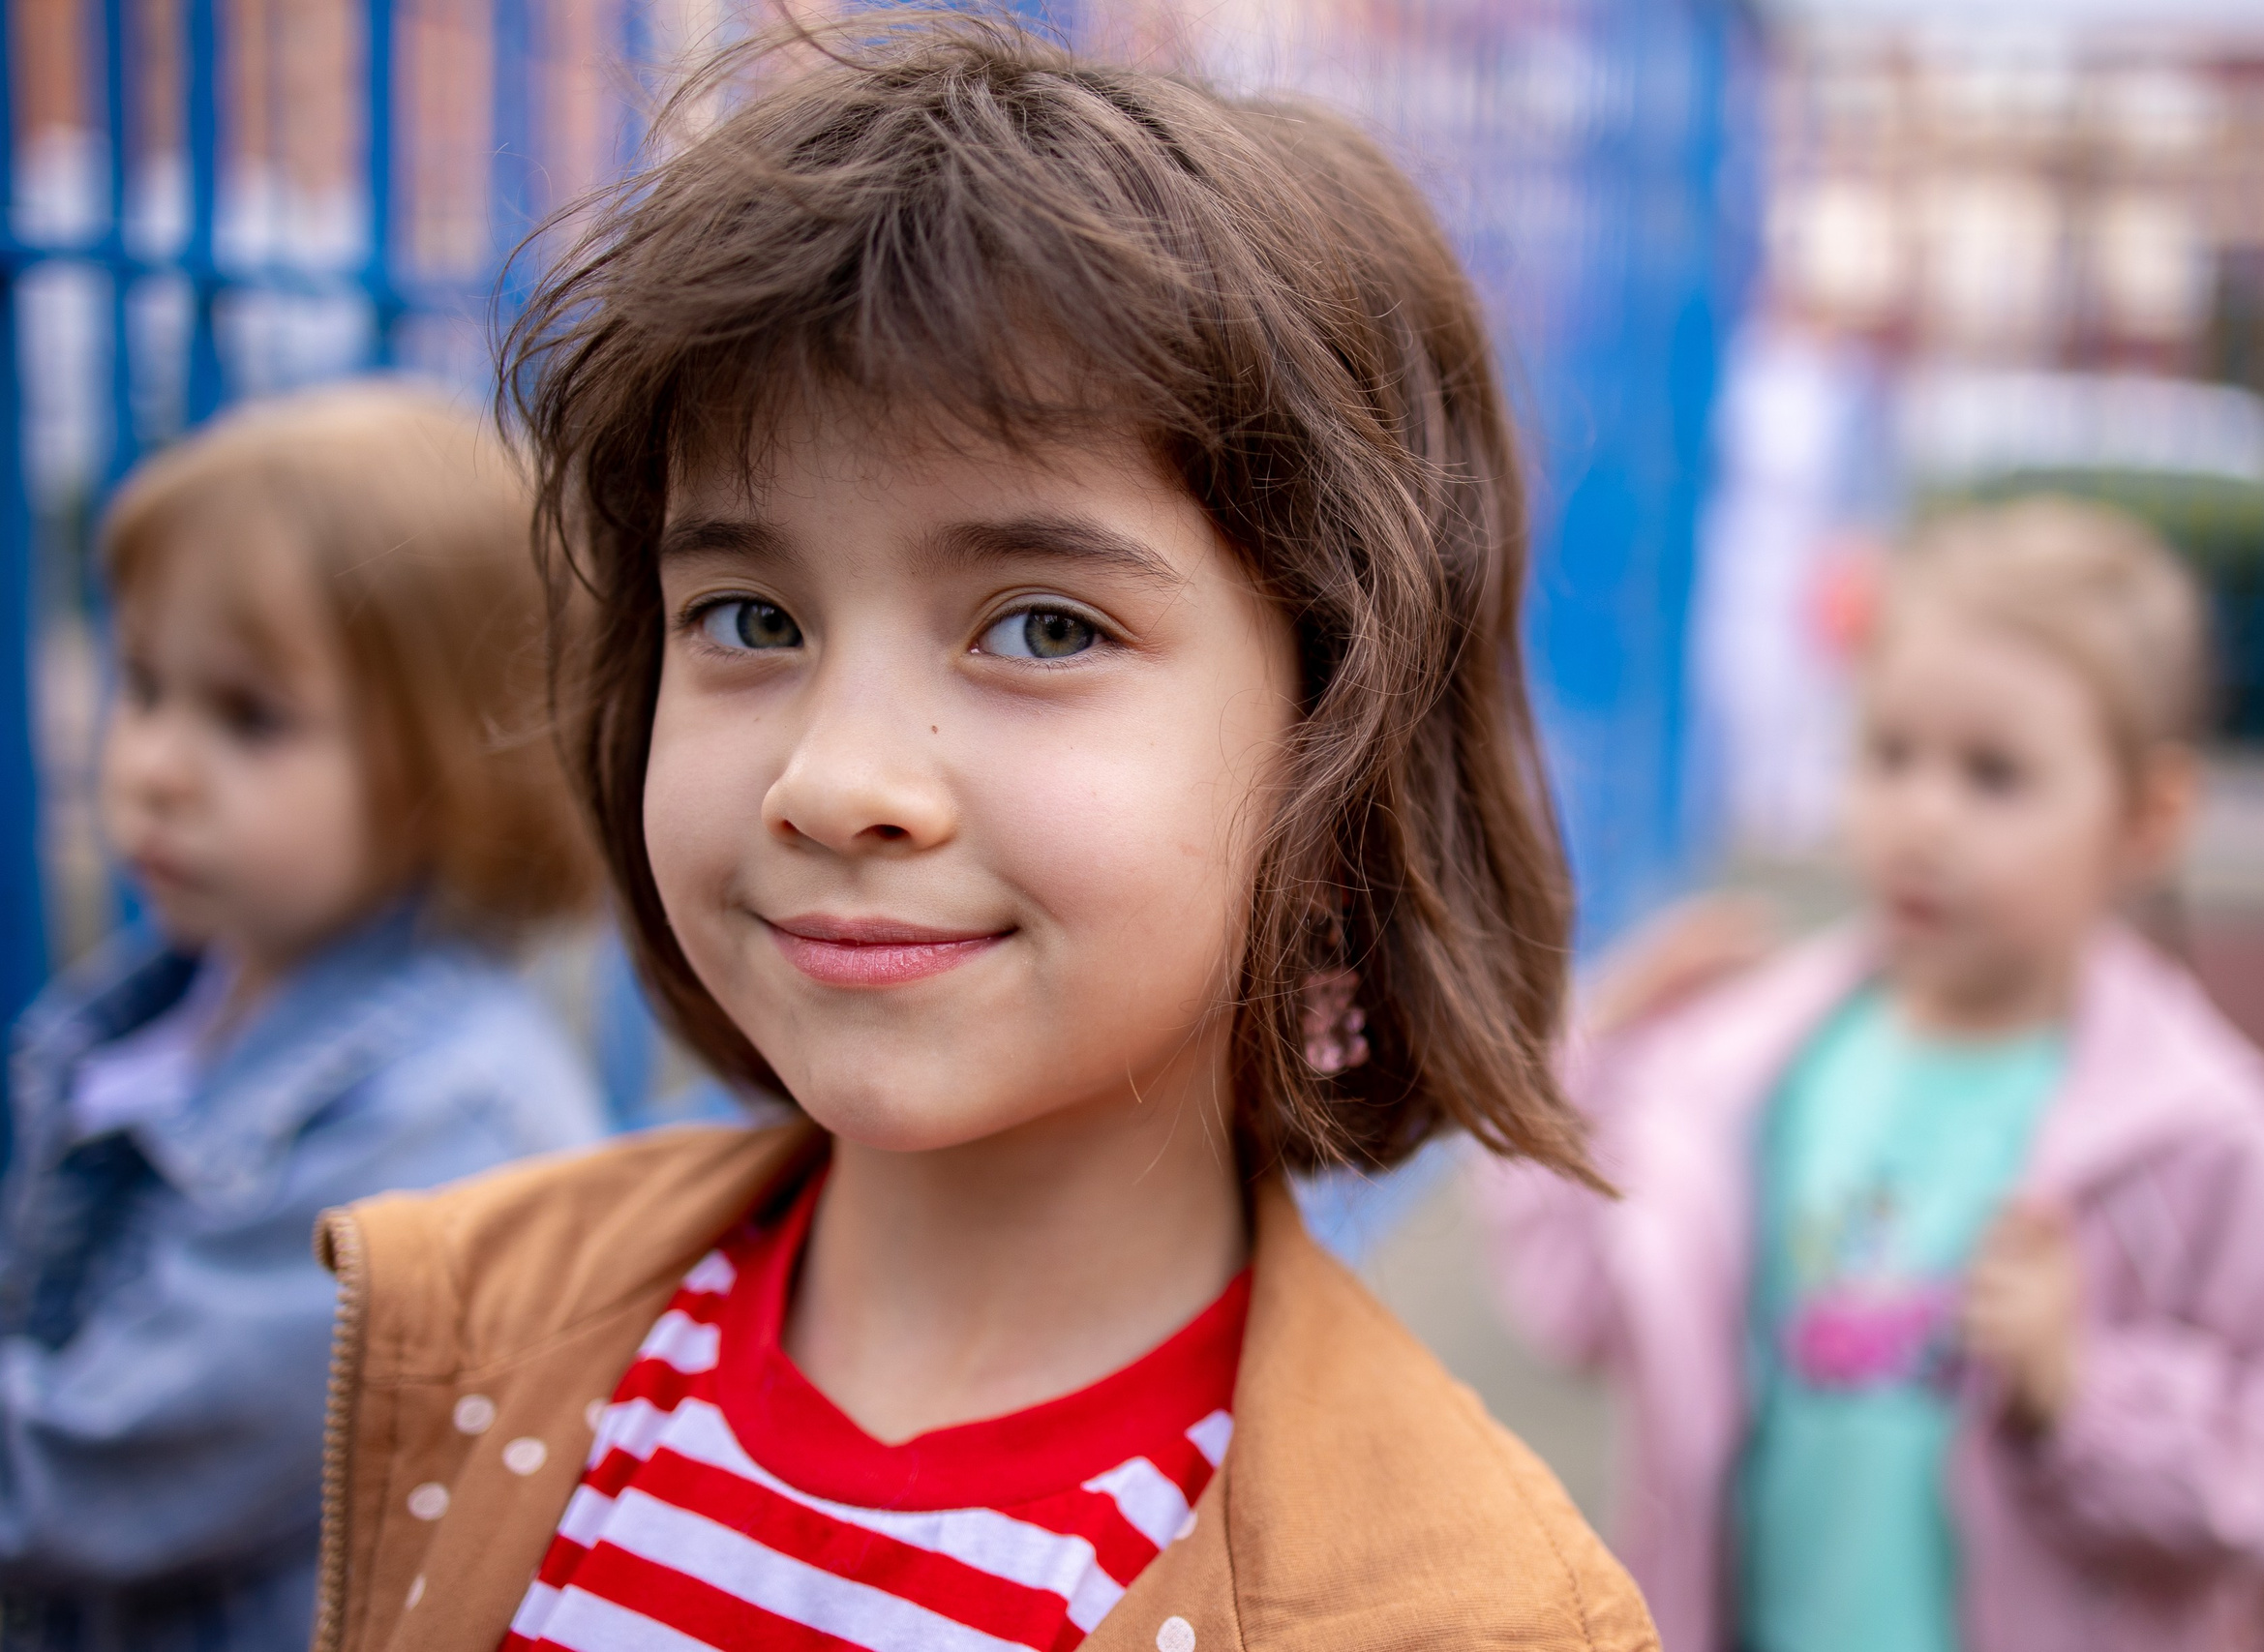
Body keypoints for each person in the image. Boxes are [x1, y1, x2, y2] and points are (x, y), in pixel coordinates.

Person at [311, 18, 1653, 1652]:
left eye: (1040, 630)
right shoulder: (481, 1333)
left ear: (1340, 739)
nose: (836, 775)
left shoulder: (1445, 1607)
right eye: (748, 613)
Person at [1491, 496, 2264, 1652]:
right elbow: (1568, 1304)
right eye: (1889, 754)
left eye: (1993, 775)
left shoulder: (2196, 1136)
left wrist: (2085, 1397)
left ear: (2146, 816)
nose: (1921, 817)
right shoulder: (1744, 1070)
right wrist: (1590, 1060)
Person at [0, 383, 610, 1651]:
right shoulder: (167, 996)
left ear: (452, 757)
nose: (153, 761)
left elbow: (101, 1465)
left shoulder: (436, 1116)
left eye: (248, 716)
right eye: (145, 683)